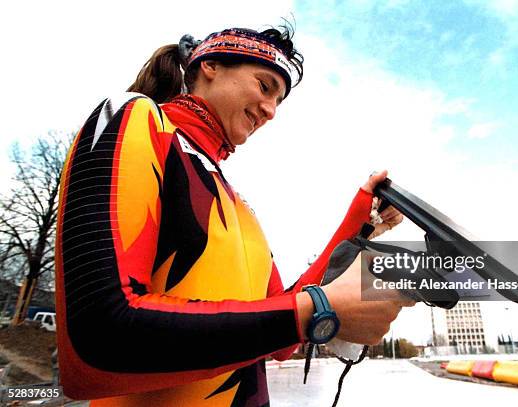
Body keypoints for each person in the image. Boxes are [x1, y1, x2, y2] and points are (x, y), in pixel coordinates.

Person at [54, 25, 411, 406]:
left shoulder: (240, 208)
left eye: (279, 100)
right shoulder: (137, 119)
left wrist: (362, 222)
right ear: (210, 66)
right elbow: (95, 342)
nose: (271, 111)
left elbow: (281, 337)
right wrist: (313, 312)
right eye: (265, 86)